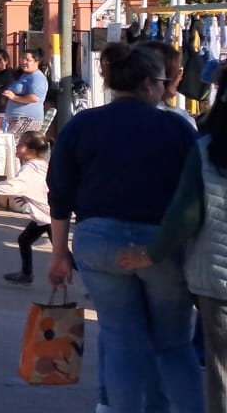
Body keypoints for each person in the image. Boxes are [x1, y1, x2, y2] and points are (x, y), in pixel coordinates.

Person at [47, 42, 203, 413]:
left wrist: (59, 252)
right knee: (173, 344)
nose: (165, 90)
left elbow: (60, 193)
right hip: (159, 243)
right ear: (148, 83)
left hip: (98, 240)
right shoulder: (176, 128)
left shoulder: (82, 124)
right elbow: (195, 194)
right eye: (163, 83)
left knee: (121, 340)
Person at [118, 90, 227, 413]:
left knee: (222, 371)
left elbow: (186, 215)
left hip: (218, 278)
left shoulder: (209, 150)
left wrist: (150, 254)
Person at [0, 130, 50, 284]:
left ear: (31, 151)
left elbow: (12, 186)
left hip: (50, 218)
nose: (17, 147)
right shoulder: (39, 164)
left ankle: (96, 282)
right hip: (46, 215)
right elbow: (39, 186)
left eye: (21, 145)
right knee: (24, 240)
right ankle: (26, 274)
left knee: (65, 256)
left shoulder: (30, 168)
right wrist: (27, 195)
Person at [3, 48, 48, 122]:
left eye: (28, 60)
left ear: (36, 62)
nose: (24, 62)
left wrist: (14, 97)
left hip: (27, 121)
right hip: (16, 120)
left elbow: (34, 98)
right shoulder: (24, 75)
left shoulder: (37, 77)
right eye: (22, 59)